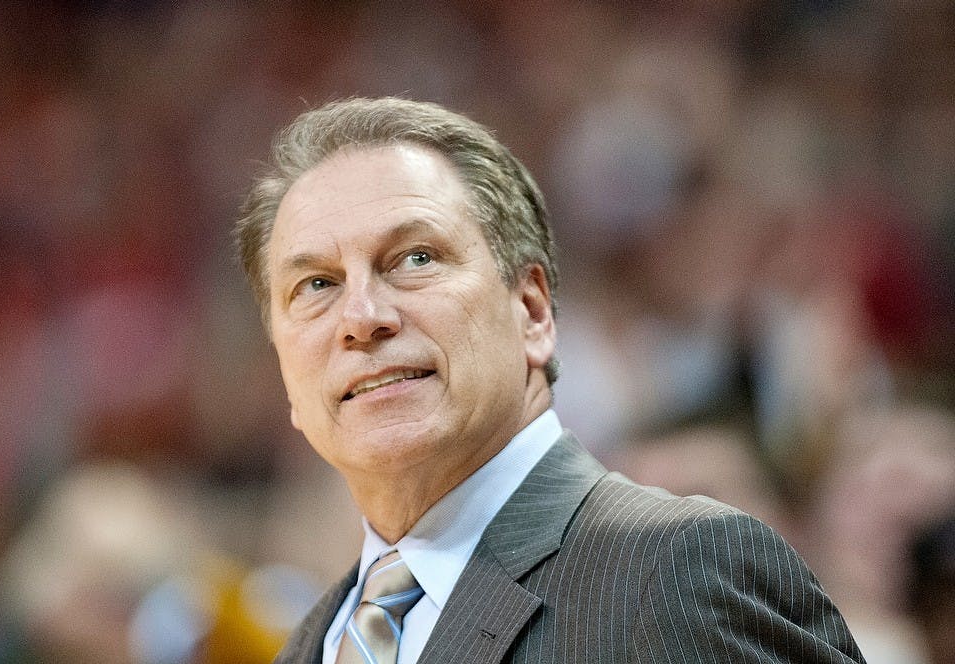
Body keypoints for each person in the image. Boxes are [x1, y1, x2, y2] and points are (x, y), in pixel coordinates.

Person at [235, 97, 865, 663]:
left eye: (416, 259)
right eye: (316, 284)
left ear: (532, 311)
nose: (362, 318)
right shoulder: (308, 644)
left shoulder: (676, 572)